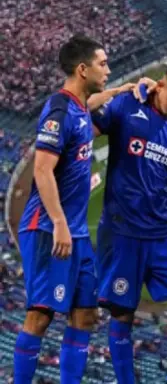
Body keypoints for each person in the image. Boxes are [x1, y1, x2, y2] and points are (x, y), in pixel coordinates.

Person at [93, 60, 167, 384]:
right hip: (122, 231)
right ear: (161, 84)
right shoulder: (127, 105)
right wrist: (117, 90)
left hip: (165, 231)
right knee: (121, 313)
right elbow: (80, 115)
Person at [15, 35, 110, 384]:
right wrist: (58, 222)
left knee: (85, 315)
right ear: (82, 69)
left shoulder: (79, 107)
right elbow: (41, 170)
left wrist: (122, 90)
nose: (108, 70)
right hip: (48, 227)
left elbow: (91, 103)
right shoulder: (59, 111)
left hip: (76, 231)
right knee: (40, 316)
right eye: (102, 64)